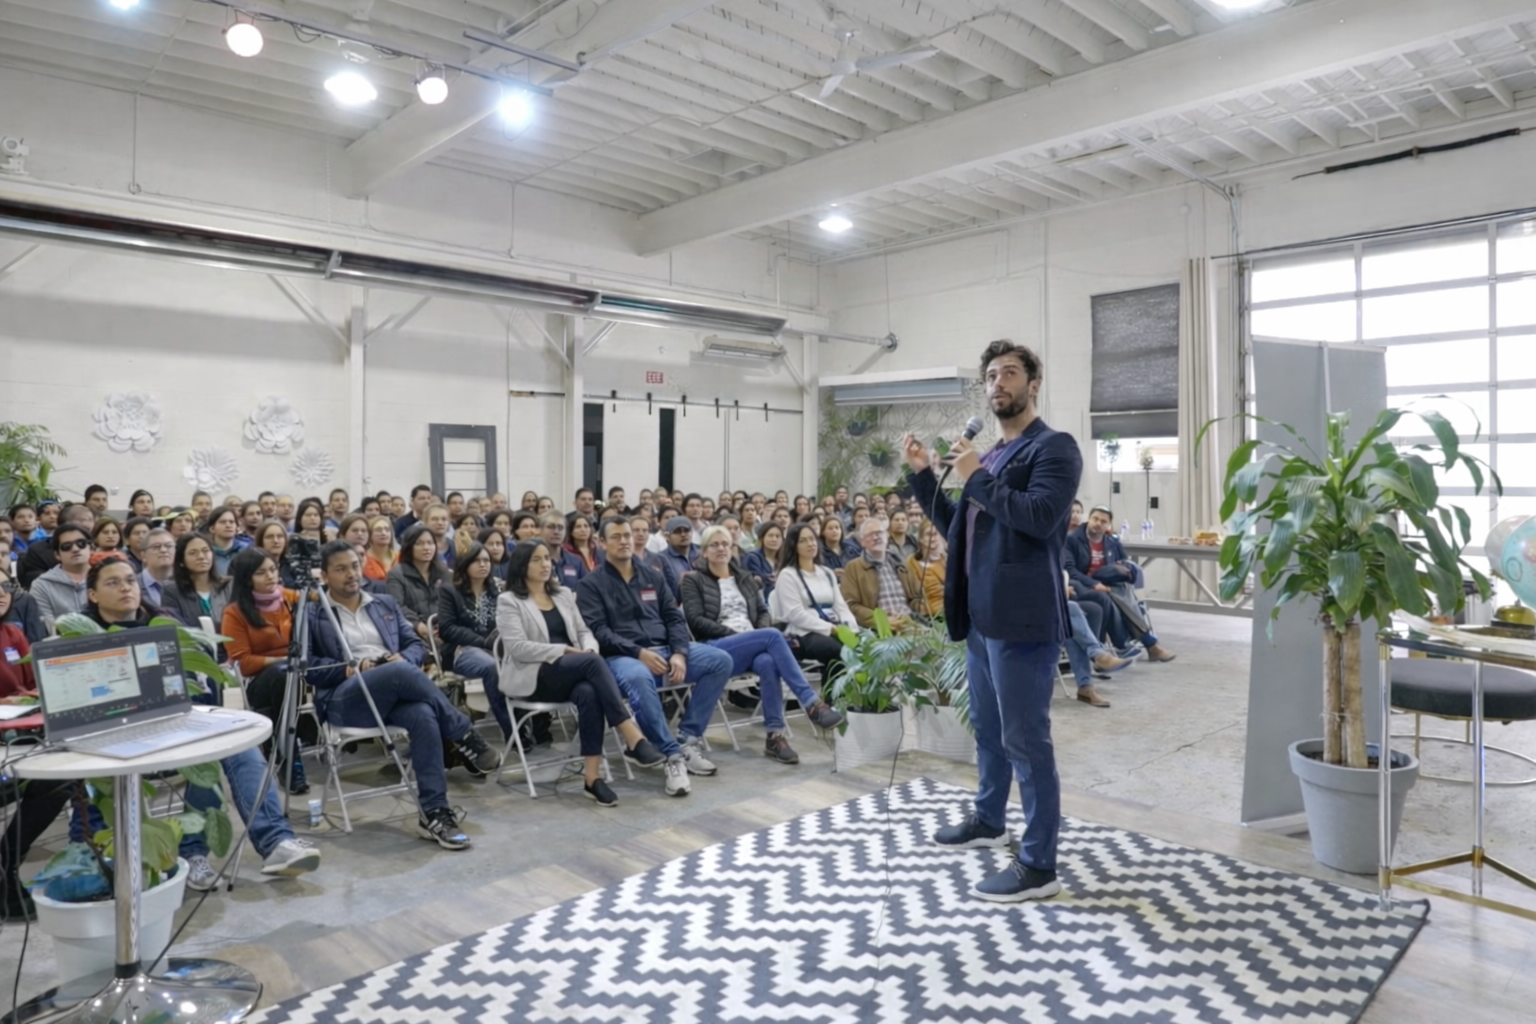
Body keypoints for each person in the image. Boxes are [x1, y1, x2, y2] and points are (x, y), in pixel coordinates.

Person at [905, 338, 1081, 903]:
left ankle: (1038, 865)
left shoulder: (1054, 448)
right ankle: (989, 818)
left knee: (1027, 740)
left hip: (1022, 619)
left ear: (1034, 383)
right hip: (981, 618)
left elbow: (1036, 517)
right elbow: (962, 526)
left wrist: (976, 474)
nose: (997, 383)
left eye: (1009, 373)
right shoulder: (993, 459)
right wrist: (922, 477)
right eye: (989, 376)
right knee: (987, 728)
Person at [83, 553, 320, 890]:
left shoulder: (165, 622)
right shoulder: (83, 635)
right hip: (119, 736)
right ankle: (193, 852)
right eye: (113, 582)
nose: (125, 588)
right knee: (205, 758)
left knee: (237, 744)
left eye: (130, 580)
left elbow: (199, 680)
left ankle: (276, 843)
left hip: (181, 718)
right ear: (92, 595)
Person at [306, 541, 499, 849]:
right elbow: (308, 669)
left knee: (422, 714)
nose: (351, 574)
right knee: (396, 672)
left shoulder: (383, 603)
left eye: (355, 565)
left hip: (394, 691)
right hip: (345, 699)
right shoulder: (314, 613)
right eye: (340, 569)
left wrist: (402, 660)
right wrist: (353, 668)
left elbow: (415, 646)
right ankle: (463, 734)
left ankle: (434, 812)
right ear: (325, 576)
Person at [496, 540, 663, 804]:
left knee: (589, 691)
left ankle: (592, 779)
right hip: (534, 676)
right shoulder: (509, 601)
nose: (545, 564)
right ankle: (631, 734)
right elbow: (518, 649)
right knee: (591, 664)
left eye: (547, 559)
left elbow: (585, 632)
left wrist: (588, 648)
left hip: (571, 672)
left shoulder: (562, 594)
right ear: (521, 566)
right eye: (536, 560)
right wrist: (565, 651)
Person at [576, 518, 733, 791]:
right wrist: (639, 653)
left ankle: (688, 738)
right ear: (601, 543)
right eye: (616, 537)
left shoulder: (653, 575)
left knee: (720, 660)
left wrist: (680, 653)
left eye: (627, 535)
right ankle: (671, 755)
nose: (624, 540)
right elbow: (600, 632)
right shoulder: (590, 585)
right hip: (623, 657)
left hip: (666, 649)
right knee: (638, 678)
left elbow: (674, 619)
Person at [682, 526, 844, 764]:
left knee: (768, 661)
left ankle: (775, 736)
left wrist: (754, 636)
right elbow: (696, 621)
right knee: (770, 636)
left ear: (732, 548)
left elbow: (762, 612)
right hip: (717, 647)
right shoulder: (693, 580)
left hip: (753, 644)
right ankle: (811, 702)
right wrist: (740, 635)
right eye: (714, 545)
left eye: (725, 544)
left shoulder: (745, 579)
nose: (721, 549)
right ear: (704, 552)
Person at [223, 548, 310, 793]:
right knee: (283, 675)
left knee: (290, 675)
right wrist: (284, 659)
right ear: (246, 578)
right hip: (263, 682)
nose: (271, 576)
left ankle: (281, 751)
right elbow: (244, 663)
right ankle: (290, 757)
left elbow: (320, 602)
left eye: (273, 569)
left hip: (301, 675)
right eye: (261, 573)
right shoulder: (235, 612)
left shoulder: (290, 598)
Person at [1064, 505, 1176, 663]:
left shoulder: (1111, 540)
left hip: (1107, 582)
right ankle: (1139, 644)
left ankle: (1137, 646)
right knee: (1112, 596)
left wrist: (1125, 572)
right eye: (1095, 519)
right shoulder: (1072, 539)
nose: (1098, 523)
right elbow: (1070, 570)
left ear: (1108, 525)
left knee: (1122, 589)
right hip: (1082, 583)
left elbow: (1125, 561)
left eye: (1103, 521)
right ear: (1089, 519)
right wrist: (1094, 583)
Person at [772, 522, 859, 682]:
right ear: (793, 546)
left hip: (833, 627)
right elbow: (795, 615)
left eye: (812, 539)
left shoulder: (826, 572)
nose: (810, 544)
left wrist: (851, 627)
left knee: (862, 646)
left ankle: (860, 701)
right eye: (802, 540)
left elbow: (841, 606)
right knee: (837, 651)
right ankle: (832, 700)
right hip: (802, 633)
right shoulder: (788, 575)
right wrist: (831, 628)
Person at [436, 542, 506, 738]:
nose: (483, 564)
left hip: (497, 648)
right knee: (493, 668)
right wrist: (482, 643)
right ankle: (513, 729)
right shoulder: (450, 591)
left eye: (486, 560)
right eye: (476, 561)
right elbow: (447, 629)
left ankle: (533, 723)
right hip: (462, 650)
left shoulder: (497, 590)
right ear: (465, 564)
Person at [841, 517, 927, 630]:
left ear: (886, 536)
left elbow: (918, 596)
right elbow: (851, 605)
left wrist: (918, 608)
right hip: (880, 628)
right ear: (862, 542)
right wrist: (882, 620)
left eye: (879, 533)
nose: (876, 537)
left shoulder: (900, 563)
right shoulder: (853, 567)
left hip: (909, 622)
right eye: (870, 535)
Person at [388, 523, 450, 647]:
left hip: (444, 628)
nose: (426, 548)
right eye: (419, 543)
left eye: (430, 543)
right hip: (413, 632)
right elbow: (398, 606)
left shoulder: (443, 572)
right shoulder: (397, 574)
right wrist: (418, 626)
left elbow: (451, 603)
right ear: (409, 547)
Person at [160, 532, 232, 628]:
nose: (201, 556)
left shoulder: (229, 585)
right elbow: (173, 628)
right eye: (193, 553)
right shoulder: (171, 591)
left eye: (205, 550)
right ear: (182, 561)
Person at [31, 523, 94, 630]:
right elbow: (47, 628)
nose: (75, 549)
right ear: (57, 555)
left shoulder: (108, 578)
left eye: (81, 543)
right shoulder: (41, 585)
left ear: (92, 548)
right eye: (66, 546)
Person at [909, 519, 948, 619]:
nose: (933, 538)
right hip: (930, 617)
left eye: (936, 534)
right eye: (929, 535)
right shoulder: (911, 564)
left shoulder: (946, 560)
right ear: (921, 538)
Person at [655, 515, 698, 599]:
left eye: (686, 530)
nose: (683, 534)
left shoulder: (703, 553)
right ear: (667, 536)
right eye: (677, 531)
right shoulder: (661, 559)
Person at [539, 513, 585, 586]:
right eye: (551, 527)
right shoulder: (533, 560)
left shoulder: (576, 561)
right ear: (540, 530)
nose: (556, 532)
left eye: (560, 528)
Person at [136, 527, 177, 607]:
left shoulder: (185, 583)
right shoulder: (134, 585)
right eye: (156, 547)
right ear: (143, 555)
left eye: (168, 546)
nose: (163, 550)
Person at [743, 521, 783, 599]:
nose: (774, 539)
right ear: (762, 538)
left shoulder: (784, 560)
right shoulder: (752, 558)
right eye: (770, 536)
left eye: (777, 536)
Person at [203, 505, 245, 575]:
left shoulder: (245, 552)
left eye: (231, 522)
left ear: (237, 527)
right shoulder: (206, 553)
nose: (228, 525)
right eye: (222, 522)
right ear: (212, 528)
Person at [363, 516, 396, 582]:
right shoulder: (363, 559)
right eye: (378, 530)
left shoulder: (400, 557)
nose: (384, 533)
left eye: (387, 530)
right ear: (369, 535)